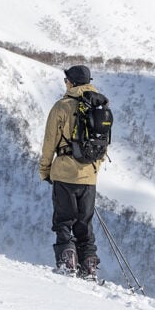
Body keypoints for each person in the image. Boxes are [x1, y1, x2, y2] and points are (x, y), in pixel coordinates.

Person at [39, 65, 105, 279]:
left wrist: (45, 169)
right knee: (84, 224)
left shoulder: (62, 107)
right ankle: (89, 266)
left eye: (66, 79)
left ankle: (68, 262)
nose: (65, 82)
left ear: (71, 82)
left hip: (64, 173)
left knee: (64, 220)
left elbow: (50, 142)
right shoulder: (99, 107)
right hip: (89, 175)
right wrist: (93, 168)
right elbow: (103, 145)